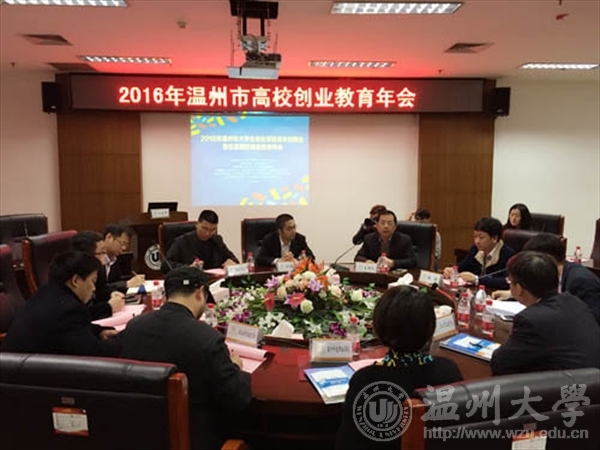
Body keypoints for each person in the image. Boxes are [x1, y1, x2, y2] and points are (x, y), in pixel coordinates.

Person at [120, 266, 251, 450]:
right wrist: (235, 368)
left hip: (140, 436)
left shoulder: (134, 327)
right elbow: (237, 399)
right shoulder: (207, 338)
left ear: (166, 294)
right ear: (200, 292)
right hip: (194, 440)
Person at [335, 286, 463, 450]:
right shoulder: (449, 371)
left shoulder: (366, 381)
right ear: (430, 329)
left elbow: (346, 444)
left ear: (378, 328)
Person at [491, 251, 600, 375]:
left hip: (568, 384)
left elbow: (500, 363)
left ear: (519, 289)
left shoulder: (532, 320)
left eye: (509, 281)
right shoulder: (572, 301)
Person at [2, 251, 122, 356]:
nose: (94, 288)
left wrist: (99, 332)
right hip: (27, 373)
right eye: (93, 281)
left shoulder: (46, 293)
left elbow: (74, 327)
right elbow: (95, 354)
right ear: (76, 280)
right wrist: (123, 341)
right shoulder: (68, 309)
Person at [493, 233, 600, 324]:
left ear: (548, 259)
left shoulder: (581, 280)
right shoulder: (547, 276)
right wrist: (512, 294)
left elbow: (592, 321)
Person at [443, 217, 515, 289]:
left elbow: (508, 282)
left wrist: (477, 279)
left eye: (481, 237)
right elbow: (463, 265)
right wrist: (452, 271)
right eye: (475, 237)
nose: (477, 241)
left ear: (494, 238)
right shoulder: (475, 250)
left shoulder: (509, 255)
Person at [162, 210, 239, 273]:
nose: (207, 233)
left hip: (214, 282)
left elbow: (233, 260)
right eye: (204, 228)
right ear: (197, 224)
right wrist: (188, 267)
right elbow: (165, 265)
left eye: (212, 230)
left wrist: (231, 263)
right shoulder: (182, 242)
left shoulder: (217, 240)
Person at [70, 231, 125, 319]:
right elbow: (77, 314)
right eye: (102, 252)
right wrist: (108, 307)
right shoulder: (75, 277)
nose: (105, 259)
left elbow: (100, 290)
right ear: (87, 256)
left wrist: (111, 294)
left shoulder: (97, 271)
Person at [102, 223, 145, 290]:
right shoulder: (96, 257)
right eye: (122, 243)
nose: (124, 248)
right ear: (109, 237)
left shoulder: (113, 259)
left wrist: (133, 279)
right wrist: (127, 284)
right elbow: (100, 288)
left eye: (126, 245)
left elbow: (115, 281)